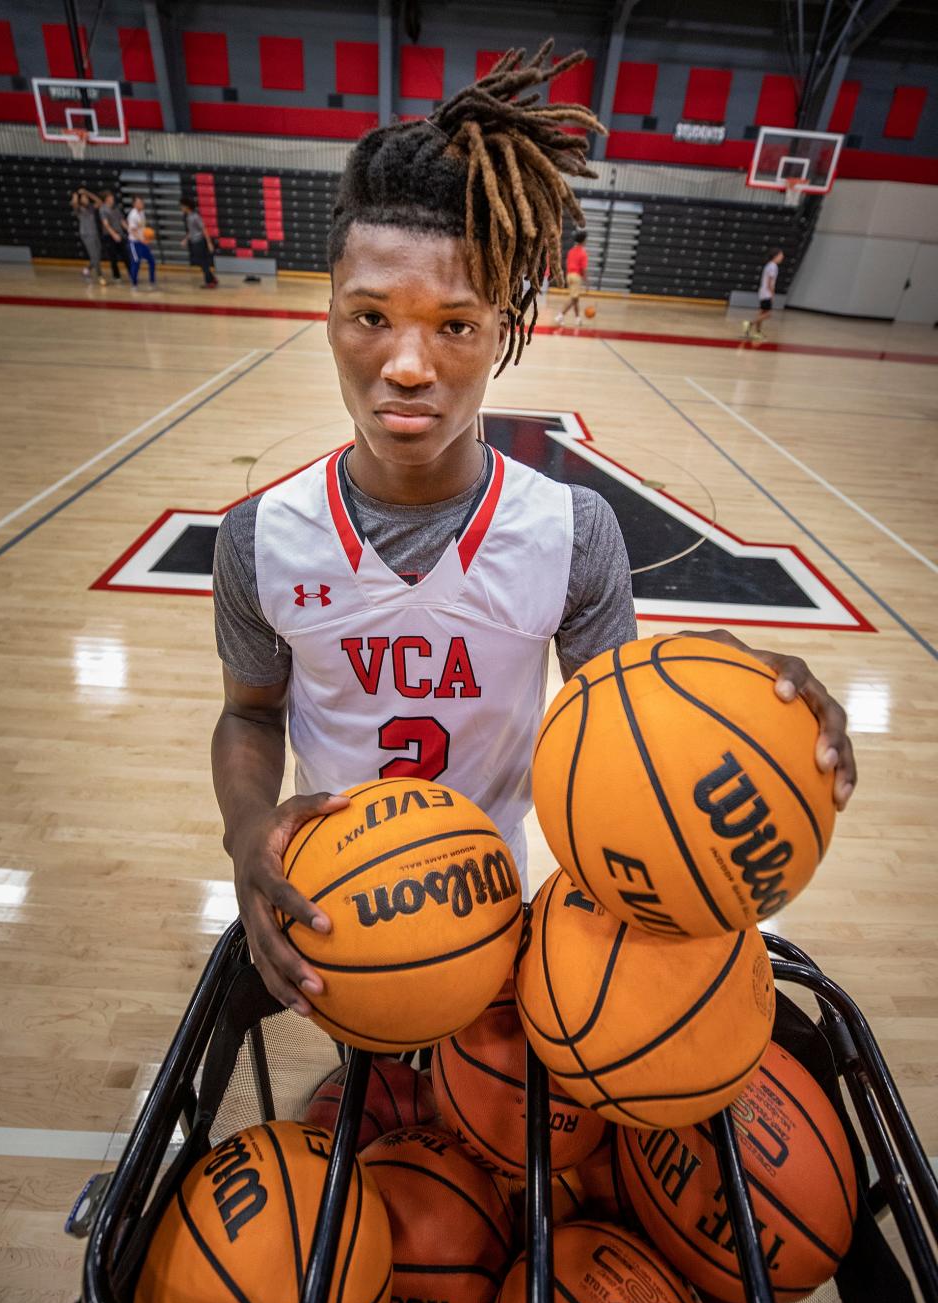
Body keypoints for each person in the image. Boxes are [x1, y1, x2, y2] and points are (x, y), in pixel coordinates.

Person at [211, 44, 855, 1015]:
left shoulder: (571, 530)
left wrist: (739, 702)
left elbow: (627, 732)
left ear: (508, 327)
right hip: (333, 911)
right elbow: (251, 713)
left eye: (455, 325)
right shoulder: (259, 535)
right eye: (372, 315)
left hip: (495, 911)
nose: (409, 364)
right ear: (329, 317)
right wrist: (247, 825)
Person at [744, 249, 783, 341]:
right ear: (775, 256)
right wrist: (772, 294)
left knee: (762, 313)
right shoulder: (773, 266)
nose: (782, 258)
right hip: (767, 293)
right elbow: (770, 282)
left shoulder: (769, 265)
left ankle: (757, 332)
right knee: (768, 314)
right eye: (781, 256)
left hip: (763, 292)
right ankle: (749, 324)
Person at [180, 196, 217, 288]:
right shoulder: (188, 217)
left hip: (199, 242)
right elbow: (191, 231)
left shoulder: (195, 216)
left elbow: (203, 229)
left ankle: (209, 282)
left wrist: (209, 243)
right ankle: (212, 279)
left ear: (187, 206)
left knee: (202, 262)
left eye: (182, 206)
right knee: (201, 262)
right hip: (194, 241)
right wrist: (186, 239)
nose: (181, 208)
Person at [554, 228, 589, 329]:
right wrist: (587, 283)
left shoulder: (571, 251)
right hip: (577, 276)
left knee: (575, 298)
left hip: (569, 275)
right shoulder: (583, 253)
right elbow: (584, 269)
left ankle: (577, 318)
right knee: (573, 298)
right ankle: (560, 315)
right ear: (583, 240)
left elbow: (567, 263)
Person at [71, 188, 105, 286]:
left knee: (97, 255)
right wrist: (75, 196)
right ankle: (100, 276)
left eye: (86, 198)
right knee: (94, 256)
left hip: (95, 233)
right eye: (84, 198)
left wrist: (87, 193)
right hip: (86, 235)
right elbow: (74, 203)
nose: (86, 199)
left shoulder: (90, 207)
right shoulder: (79, 209)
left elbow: (100, 202)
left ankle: (86, 270)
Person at [126, 195, 156, 291]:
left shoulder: (142, 213)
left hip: (142, 242)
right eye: (139, 202)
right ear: (134, 204)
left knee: (152, 261)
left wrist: (147, 236)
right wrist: (141, 239)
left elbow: (142, 228)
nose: (141, 204)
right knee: (136, 262)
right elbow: (132, 231)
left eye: (142, 202)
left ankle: (152, 281)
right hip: (134, 242)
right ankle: (134, 284)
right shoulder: (132, 215)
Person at [99, 189, 130, 282]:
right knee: (113, 257)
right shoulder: (103, 209)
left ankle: (132, 273)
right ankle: (116, 276)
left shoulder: (116, 208)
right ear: (107, 199)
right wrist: (113, 234)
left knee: (126, 255)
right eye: (111, 197)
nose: (113, 198)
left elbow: (122, 220)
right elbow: (106, 224)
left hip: (120, 234)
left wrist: (129, 229)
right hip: (109, 236)